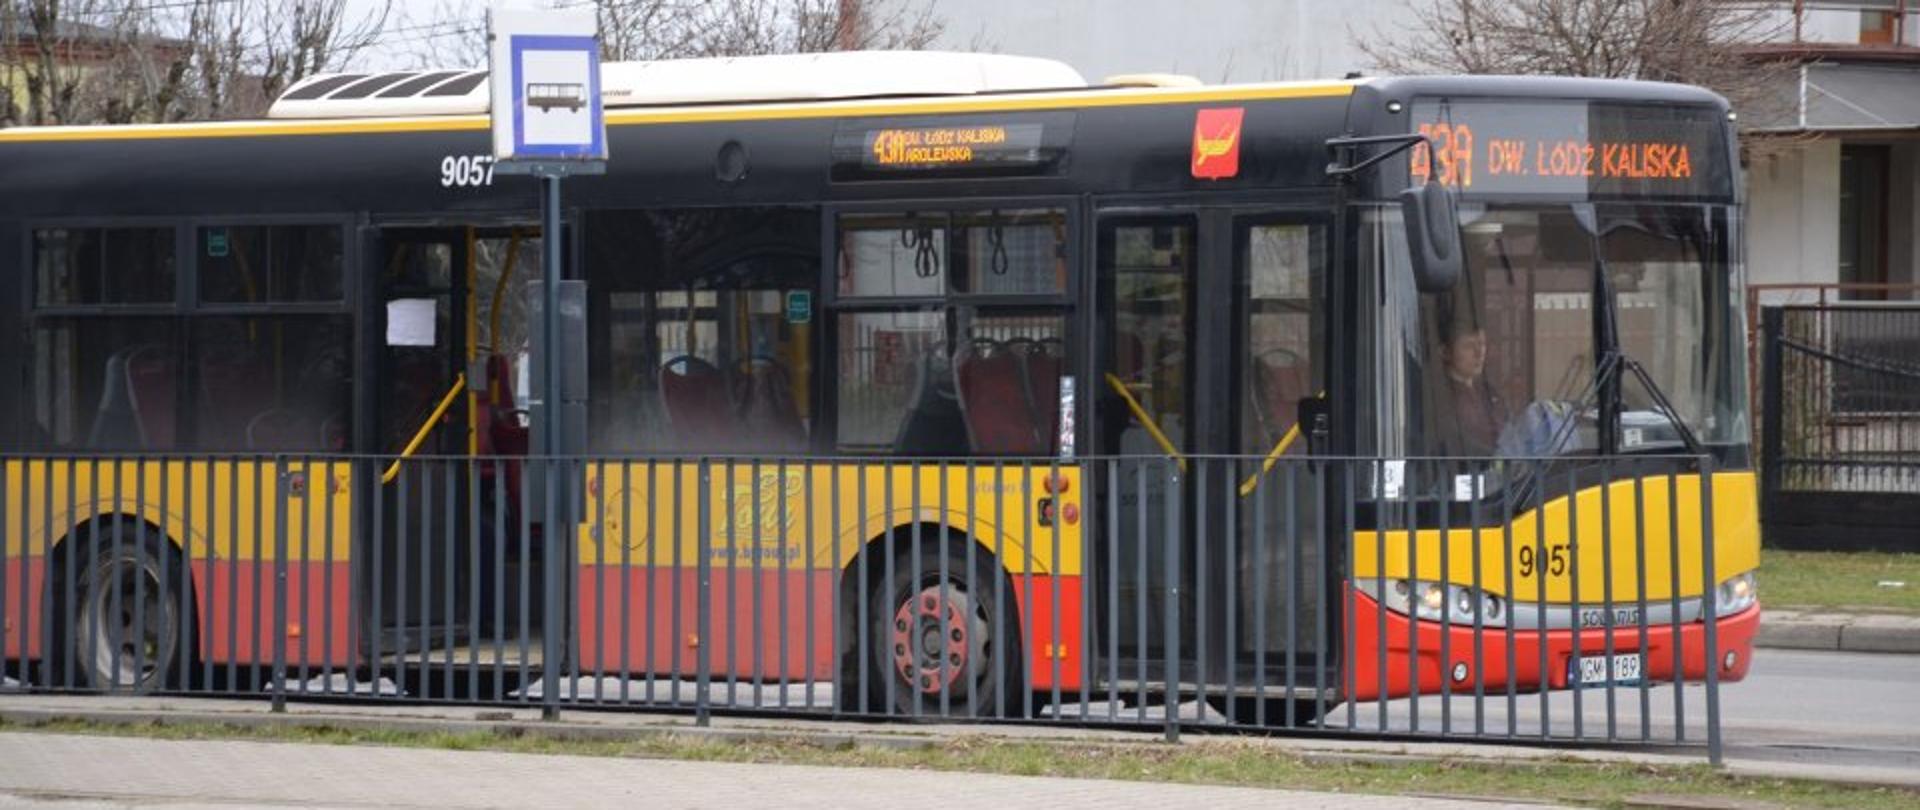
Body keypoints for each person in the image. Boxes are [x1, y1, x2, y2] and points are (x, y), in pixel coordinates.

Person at [1433, 322, 1509, 458]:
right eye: (1468, 346)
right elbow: (1453, 441)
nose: (1479, 353)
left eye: (1482, 344)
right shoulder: (1438, 397)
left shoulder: (1491, 394)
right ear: (1445, 352)